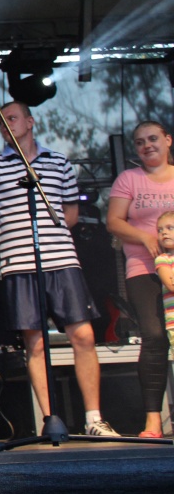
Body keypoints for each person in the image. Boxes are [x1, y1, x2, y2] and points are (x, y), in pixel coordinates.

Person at [0, 101, 120, 437]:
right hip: (19, 265)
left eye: (12, 118)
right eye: (1, 122)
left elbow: (71, 213)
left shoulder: (58, 162)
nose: (6, 125)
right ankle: (50, 420)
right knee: (35, 343)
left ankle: (94, 418)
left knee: (83, 335)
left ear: (30, 121)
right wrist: (10, 247)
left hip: (61, 260)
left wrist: (51, 237)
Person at [106, 121, 174, 438]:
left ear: (168, 140)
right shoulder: (129, 179)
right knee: (154, 335)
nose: (147, 145)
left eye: (152, 139)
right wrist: (146, 238)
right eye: (139, 142)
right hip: (144, 267)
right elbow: (114, 222)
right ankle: (153, 420)